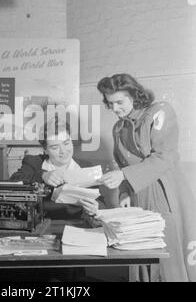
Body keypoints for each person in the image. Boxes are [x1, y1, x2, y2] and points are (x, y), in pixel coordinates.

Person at [81, 73, 196, 282]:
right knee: (140, 249)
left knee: (166, 255)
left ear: (135, 95)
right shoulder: (119, 127)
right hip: (138, 193)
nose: (115, 109)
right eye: (110, 103)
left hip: (165, 191)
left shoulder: (160, 111)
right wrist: (124, 191)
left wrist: (124, 176)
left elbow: (164, 157)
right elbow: (122, 163)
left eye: (119, 102)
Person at [9, 117, 101, 219]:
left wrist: (95, 208)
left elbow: (100, 201)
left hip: (76, 226)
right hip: (41, 225)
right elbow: (14, 180)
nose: (63, 151)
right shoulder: (34, 163)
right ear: (45, 150)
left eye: (66, 143)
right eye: (55, 147)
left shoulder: (86, 167)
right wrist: (43, 175)